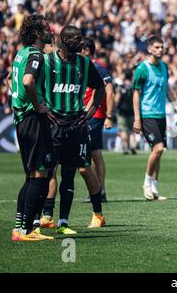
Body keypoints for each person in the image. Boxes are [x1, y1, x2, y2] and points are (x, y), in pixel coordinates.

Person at [39, 25, 106, 234]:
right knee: (47, 172)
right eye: (76, 38)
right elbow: (34, 86)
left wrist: (91, 109)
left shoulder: (85, 64)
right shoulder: (48, 62)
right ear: (65, 40)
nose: (81, 41)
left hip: (76, 125)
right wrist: (42, 107)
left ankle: (64, 223)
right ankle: (39, 219)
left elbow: (101, 86)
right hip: (54, 125)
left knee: (70, 173)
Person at [10, 14, 56, 241]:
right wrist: (37, 105)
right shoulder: (36, 54)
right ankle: (27, 230)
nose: (51, 32)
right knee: (39, 175)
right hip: (33, 118)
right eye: (47, 29)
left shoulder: (21, 53)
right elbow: (28, 80)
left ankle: (19, 228)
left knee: (31, 176)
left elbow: (12, 79)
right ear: (38, 33)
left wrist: (19, 101)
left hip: (22, 118)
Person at [133, 35, 177, 201]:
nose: (160, 50)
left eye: (162, 47)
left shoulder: (164, 66)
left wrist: (176, 107)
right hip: (147, 114)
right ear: (149, 49)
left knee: (160, 152)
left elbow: (167, 88)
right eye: (157, 47)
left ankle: (154, 188)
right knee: (158, 149)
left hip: (161, 114)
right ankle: (146, 182)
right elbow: (136, 93)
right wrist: (137, 118)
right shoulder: (142, 69)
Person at [80, 37, 115, 203]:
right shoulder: (84, 66)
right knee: (94, 154)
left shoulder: (99, 69)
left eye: (80, 49)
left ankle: (99, 190)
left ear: (87, 51)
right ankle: (99, 190)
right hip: (86, 115)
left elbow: (110, 92)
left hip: (95, 115)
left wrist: (109, 116)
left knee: (92, 154)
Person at [115, 69, 136, 155]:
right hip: (132, 111)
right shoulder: (133, 86)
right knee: (131, 130)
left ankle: (125, 148)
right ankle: (133, 146)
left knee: (123, 130)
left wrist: (114, 107)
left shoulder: (121, 86)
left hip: (122, 112)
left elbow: (117, 98)